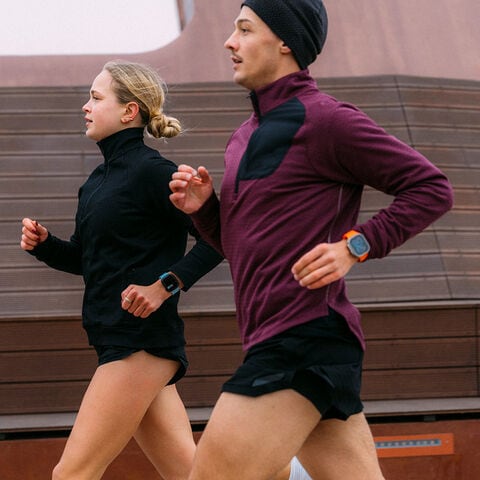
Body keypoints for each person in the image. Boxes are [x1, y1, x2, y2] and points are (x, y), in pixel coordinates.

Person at [167, 1, 454, 479]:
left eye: (245, 29)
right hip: (287, 340)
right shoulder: (241, 138)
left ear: (285, 41)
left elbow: (431, 188)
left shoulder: (327, 121)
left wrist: (355, 245)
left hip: (303, 341)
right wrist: (205, 211)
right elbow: (240, 249)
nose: (230, 42)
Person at [20, 60, 222, 480]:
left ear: (129, 111)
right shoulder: (95, 182)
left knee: (71, 474)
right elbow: (87, 259)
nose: (86, 106)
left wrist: (164, 286)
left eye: (96, 98)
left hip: (140, 342)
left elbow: (218, 238)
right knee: (191, 475)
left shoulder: (155, 172)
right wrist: (45, 246)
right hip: (113, 338)